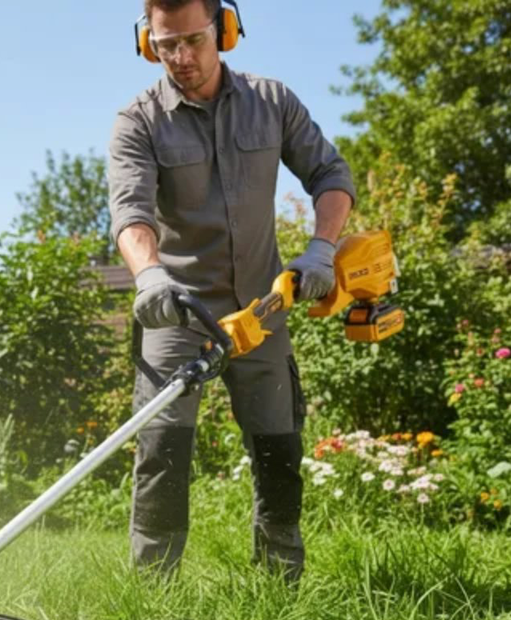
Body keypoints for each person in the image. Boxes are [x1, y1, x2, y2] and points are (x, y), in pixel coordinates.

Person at [108, 0, 355, 578]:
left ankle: (280, 588)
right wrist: (148, 274)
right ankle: (153, 597)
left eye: (193, 40)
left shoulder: (273, 103)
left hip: (263, 307)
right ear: (148, 42)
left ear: (225, 30)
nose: (180, 57)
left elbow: (330, 176)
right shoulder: (138, 120)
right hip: (176, 310)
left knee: (278, 451)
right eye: (165, 44)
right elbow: (131, 214)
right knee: (161, 455)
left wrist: (321, 248)